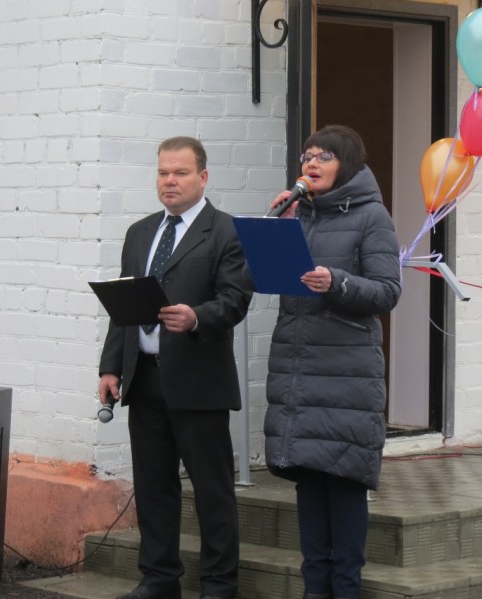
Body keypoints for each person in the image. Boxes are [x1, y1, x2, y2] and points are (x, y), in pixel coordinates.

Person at [97, 136, 253, 599]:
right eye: (163, 172)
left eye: (180, 173)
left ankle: (219, 586)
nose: (170, 181)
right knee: (153, 488)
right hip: (144, 378)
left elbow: (235, 300)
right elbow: (124, 307)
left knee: (212, 491)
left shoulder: (226, 231)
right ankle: (159, 579)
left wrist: (196, 318)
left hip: (199, 381)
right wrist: (110, 367)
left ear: (203, 177)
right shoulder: (140, 233)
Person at [263, 125, 402, 599]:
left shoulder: (372, 216)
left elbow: (387, 291)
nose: (311, 163)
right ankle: (314, 591)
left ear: (348, 164)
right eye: (307, 155)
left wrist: (337, 282)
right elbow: (262, 276)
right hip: (298, 367)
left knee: (343, 483)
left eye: (324, 156)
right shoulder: (297, 213)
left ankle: (346, 589)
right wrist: (278, 229)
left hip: (346, 373)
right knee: (309, 482)